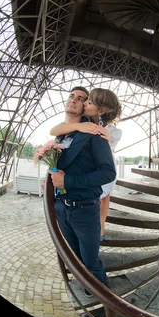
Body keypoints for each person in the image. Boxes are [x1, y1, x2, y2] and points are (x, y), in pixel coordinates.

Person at [49, 86, 116, 297]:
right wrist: (50, 180)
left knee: (91, 259)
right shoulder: (64, 134)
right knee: (74, 254)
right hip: (62, 208)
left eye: (83, 99)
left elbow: (108, 173)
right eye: (72, 96)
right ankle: (86, 286)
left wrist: (67, 180)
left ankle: (103, 299)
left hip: (84, 210)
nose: (77, 101)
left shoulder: (94, 133)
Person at [50, 87, 122, 242]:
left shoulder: (106, 130)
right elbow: (54, 130)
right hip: (88, 168)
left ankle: (100, 227)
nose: (85, 104)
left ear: (101, 110)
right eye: (87, 101)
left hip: (101, 166)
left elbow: (105, 157)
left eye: (89, 102)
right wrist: (78, 126)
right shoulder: (83, 121)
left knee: (103, 196)